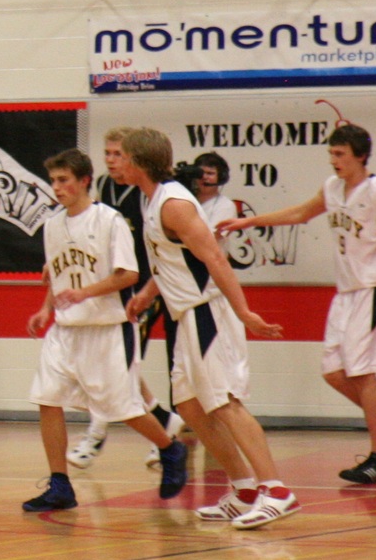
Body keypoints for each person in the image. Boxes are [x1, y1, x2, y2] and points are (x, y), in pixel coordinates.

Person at [216, 121, 376, 485]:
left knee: (361, 373)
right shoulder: (332, 187)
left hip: (375, 289)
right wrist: (249, 221)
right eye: (331, 153)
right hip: (346, 292)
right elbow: (299, 213)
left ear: (360, 156)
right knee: (334, 373)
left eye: (340, 154)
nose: (334, 160)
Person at [120, 127, 295, 530]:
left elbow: (215, 258)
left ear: (138, 161)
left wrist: (245, 312)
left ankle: (276, 490)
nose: (116, 163)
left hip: (207, 312)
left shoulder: (174, 204)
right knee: (189, 405)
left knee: (224, 402)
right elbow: (172, 260)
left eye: (122, 156)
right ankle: (244, 489)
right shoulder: (152, 199)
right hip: (184, 315)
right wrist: (147, 293)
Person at [18, 151, 191, 512]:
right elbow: (59, 276)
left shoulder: (110, 220)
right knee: (47, 400)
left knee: (122, 409)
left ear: (84, 181)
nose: (56, 188)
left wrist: (84, 293)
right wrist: (46, 308)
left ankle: (170, 448)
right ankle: (60, 484)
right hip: (65, 331)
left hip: (108, 328)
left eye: (63, 180)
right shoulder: (52, 225)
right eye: (53, 181)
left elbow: (128, 275)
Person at [68, 128, 181, 469]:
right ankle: (164, 421)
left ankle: (98, 435)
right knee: (119, 365)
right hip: (118, 285)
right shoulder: (103, 186)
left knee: (119, 366)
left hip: (148, 284)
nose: (112, 160)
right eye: (108, 153)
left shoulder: (150, 192)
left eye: (118, 154)